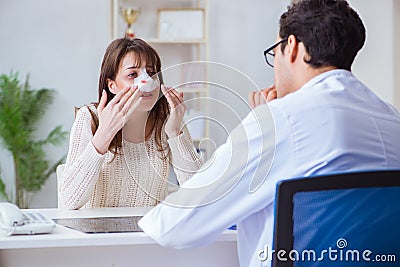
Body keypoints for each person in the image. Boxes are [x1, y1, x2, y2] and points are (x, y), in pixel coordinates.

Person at [138, 0, 400, 266]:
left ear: (293, 47)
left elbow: (173, 227)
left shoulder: (281, 120)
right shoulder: (392, 119)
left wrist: (262, 123)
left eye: (275, 53)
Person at [60, 38, 202, 209]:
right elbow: (69, 201)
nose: (147, 81)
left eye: (151, 73)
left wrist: (175, 133)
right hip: (98, 233)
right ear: (112, 85)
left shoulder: (169, 119)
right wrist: (104, 134)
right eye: (132, 74)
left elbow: (200, 193)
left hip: (147, 232)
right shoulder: (90, 118)